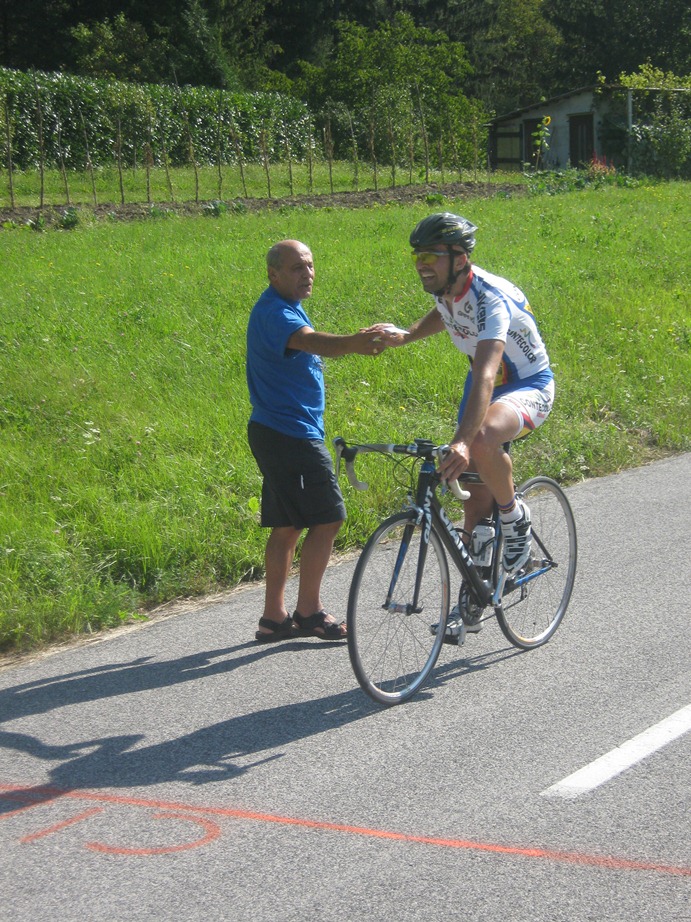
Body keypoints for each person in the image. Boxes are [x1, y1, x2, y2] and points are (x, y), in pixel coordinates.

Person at [371, 213, 554, 639]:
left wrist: (462, 439)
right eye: (417, 256)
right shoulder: (447, 288)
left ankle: (515, 519)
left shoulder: (490, 299)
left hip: (527, 385)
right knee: (471, 496)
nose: (422, 264)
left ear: (460, 258)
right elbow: (446, 316)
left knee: (481, 438)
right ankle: (475, 593)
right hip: (484, 387)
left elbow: (488, 373)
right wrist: (406, 335)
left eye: (431, 255)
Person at [246, 239, 386, 643]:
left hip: (275, 431)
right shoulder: (276, 313)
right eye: (296, 268)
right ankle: (308, 612)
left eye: (309, 265)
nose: (307, 273)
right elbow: (311, 341)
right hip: (291, 436)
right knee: (328, 517)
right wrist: (352, 344)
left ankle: (274, 619)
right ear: (273, 274)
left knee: (288, 524)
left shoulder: (284, 305)